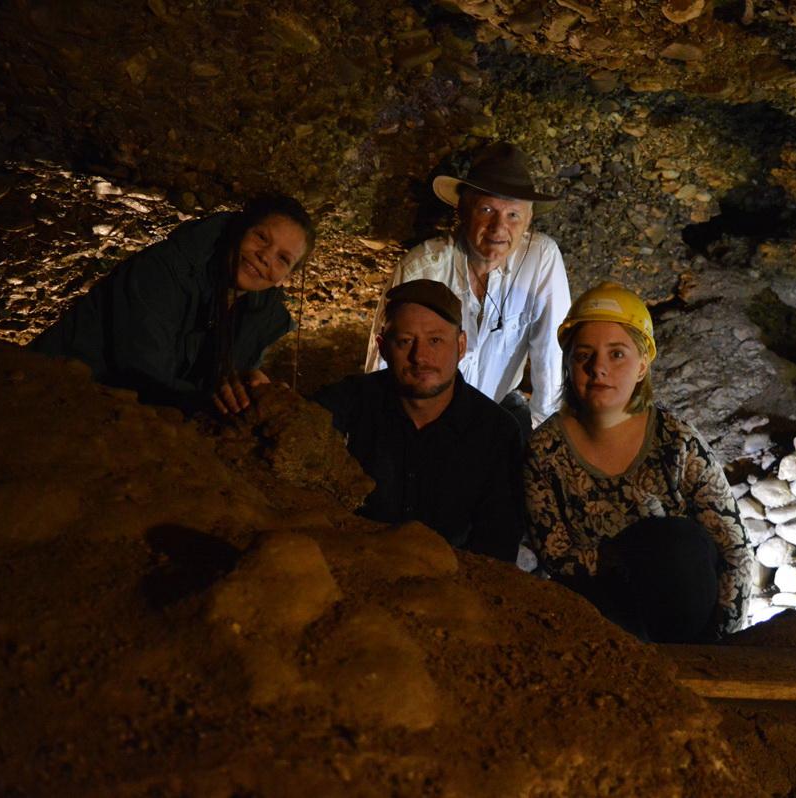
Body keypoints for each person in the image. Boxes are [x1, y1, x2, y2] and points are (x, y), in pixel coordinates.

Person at [524, 282, 753, 642]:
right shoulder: (546, 451)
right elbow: (555, 557)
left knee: (676, 542)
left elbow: (733, 550)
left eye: (617, 354)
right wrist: (626, 557)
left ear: (642, 365)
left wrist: (722, 644)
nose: (598, 368)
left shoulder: (677, 441)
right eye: (584, 354)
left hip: (684, 618)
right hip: (604, 624)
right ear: (568, 363)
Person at [28, 194, 315, 414]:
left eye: (283, 259)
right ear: (239, 230)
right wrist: (211, 401)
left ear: (284, 279)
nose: (266, 256)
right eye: (261, 237)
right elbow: (142, 378)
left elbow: (223, 382)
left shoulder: (260, 314)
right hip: (47, 397)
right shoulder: (162, 271)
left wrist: (250, 391)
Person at [364, 142, 571, 433]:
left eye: (513, 215)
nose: (499, 228)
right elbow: (381, 368)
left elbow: (553, 357)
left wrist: (542, 439)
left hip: (493, 418)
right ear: (462, 210)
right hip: (422, 422)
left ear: (529, 220)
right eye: (487, 209)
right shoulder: (422, 269)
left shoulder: (541, 259)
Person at [317, 279, 525, 562]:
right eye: (405, 342)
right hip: (359, 565)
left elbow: (497, 547)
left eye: (435, 340)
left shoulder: (496, 432)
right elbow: (296, 423)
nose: (421, 357)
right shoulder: (353, 401)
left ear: (461, 345)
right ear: (382, 348)